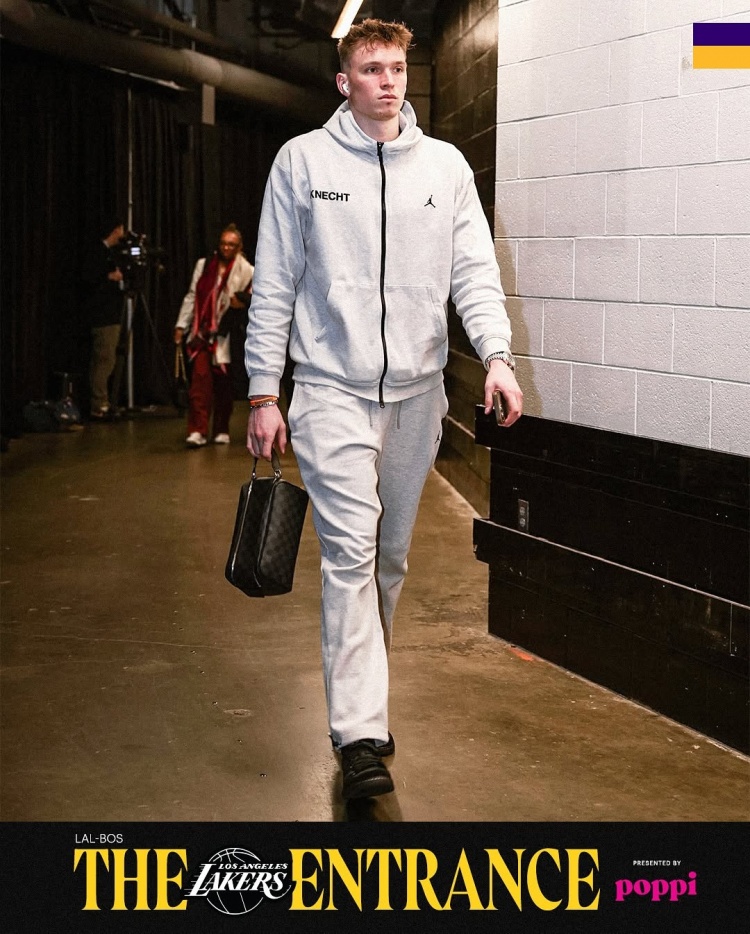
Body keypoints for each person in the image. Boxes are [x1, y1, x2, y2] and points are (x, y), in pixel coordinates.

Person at [245, 19, 523, 800]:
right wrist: (264, 391)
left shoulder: (444, 167)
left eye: (397, 68)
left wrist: (497, 356)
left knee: (387, 560)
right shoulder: (302, 162)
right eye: (371, 69)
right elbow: (275, 282)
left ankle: (365, 698)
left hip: (416, 396)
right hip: (329, 391)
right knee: (350, 554)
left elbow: (473, 270)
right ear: (345, 81)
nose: (388, 81)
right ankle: (360, 731)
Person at [174, 224, 253, 447]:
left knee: (223, 385)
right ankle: (197, 430)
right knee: (199, 382)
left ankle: (221, 428)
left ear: (239, 247)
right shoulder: (204, 265)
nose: (226, 248)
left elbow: (252, 300)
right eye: (223, 244)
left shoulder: (247, 270)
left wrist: (241, 303)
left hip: (226, 335)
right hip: (202, 332)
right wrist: (181, 325)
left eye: (231, 245)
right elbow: (193, 295)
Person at [82, 219, 125, 419]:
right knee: (104, 360)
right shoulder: (97, 253)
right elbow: (89, 278)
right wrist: (110, 277)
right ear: (114, 231)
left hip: (109, 314)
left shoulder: (108, 253)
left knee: (106, 360)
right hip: (103, 316)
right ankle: (99, 404)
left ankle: (102, 401)